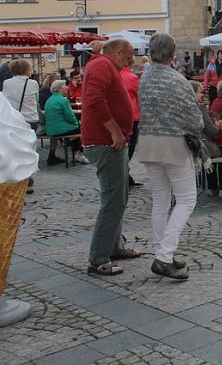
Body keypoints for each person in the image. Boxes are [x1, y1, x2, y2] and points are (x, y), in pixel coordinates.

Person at [137, 33, 202, 280]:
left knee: (160, 201)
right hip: (173, 143)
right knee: (186, 200)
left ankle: (162, 251)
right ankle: (164, 257)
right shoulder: (178, 80)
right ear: (173, 53)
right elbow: (193, 119)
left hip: (148, 142)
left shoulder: (144, 77)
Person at [81, 39, 138, 276]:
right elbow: (95, 101)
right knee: (113, 200)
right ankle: (98, 258)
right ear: (118, 52)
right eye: (129, 56)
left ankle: (113, 247)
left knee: (119, 197)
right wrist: (115, 130)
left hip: (112, 142)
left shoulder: (102, 64)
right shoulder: (102, 65)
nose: (130, 61)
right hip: (106, 143)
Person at [3, 59, 40, 191]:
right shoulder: (33, 83)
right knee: (29, 149)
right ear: (27, 69)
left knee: (15, 149)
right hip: (29, 118)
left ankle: (16, 175)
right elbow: (36, 100)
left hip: (14, 120)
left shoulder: (6, 83)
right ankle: (28, 177)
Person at [189, 80, 222, 197]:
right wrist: (217, 126)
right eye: (200, 92)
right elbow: (211, 130)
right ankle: (220, 187)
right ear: (192, 93)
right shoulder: (199, 108)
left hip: (188, 144)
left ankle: (212, 186)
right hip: (200, 145)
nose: (202, 95)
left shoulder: (183, 107)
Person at [43, 79, 87, 164]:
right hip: (61, 129)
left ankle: (53, 155)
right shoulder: (63, 100)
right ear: (59, 89)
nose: (67, 87)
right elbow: (70, 117)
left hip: (50, 129)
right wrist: (77, 124)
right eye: (64, 86)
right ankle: (79, 154)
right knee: (83, 128)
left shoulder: (49, 100)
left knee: (75, 129)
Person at [120, 51, 143, 188]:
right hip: (132, 116)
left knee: (121, 147)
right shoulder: (133, 77)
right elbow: (139, 97)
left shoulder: (115, 75)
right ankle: (124, 174)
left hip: (118, 116)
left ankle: (124, 175)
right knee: (130, 147)